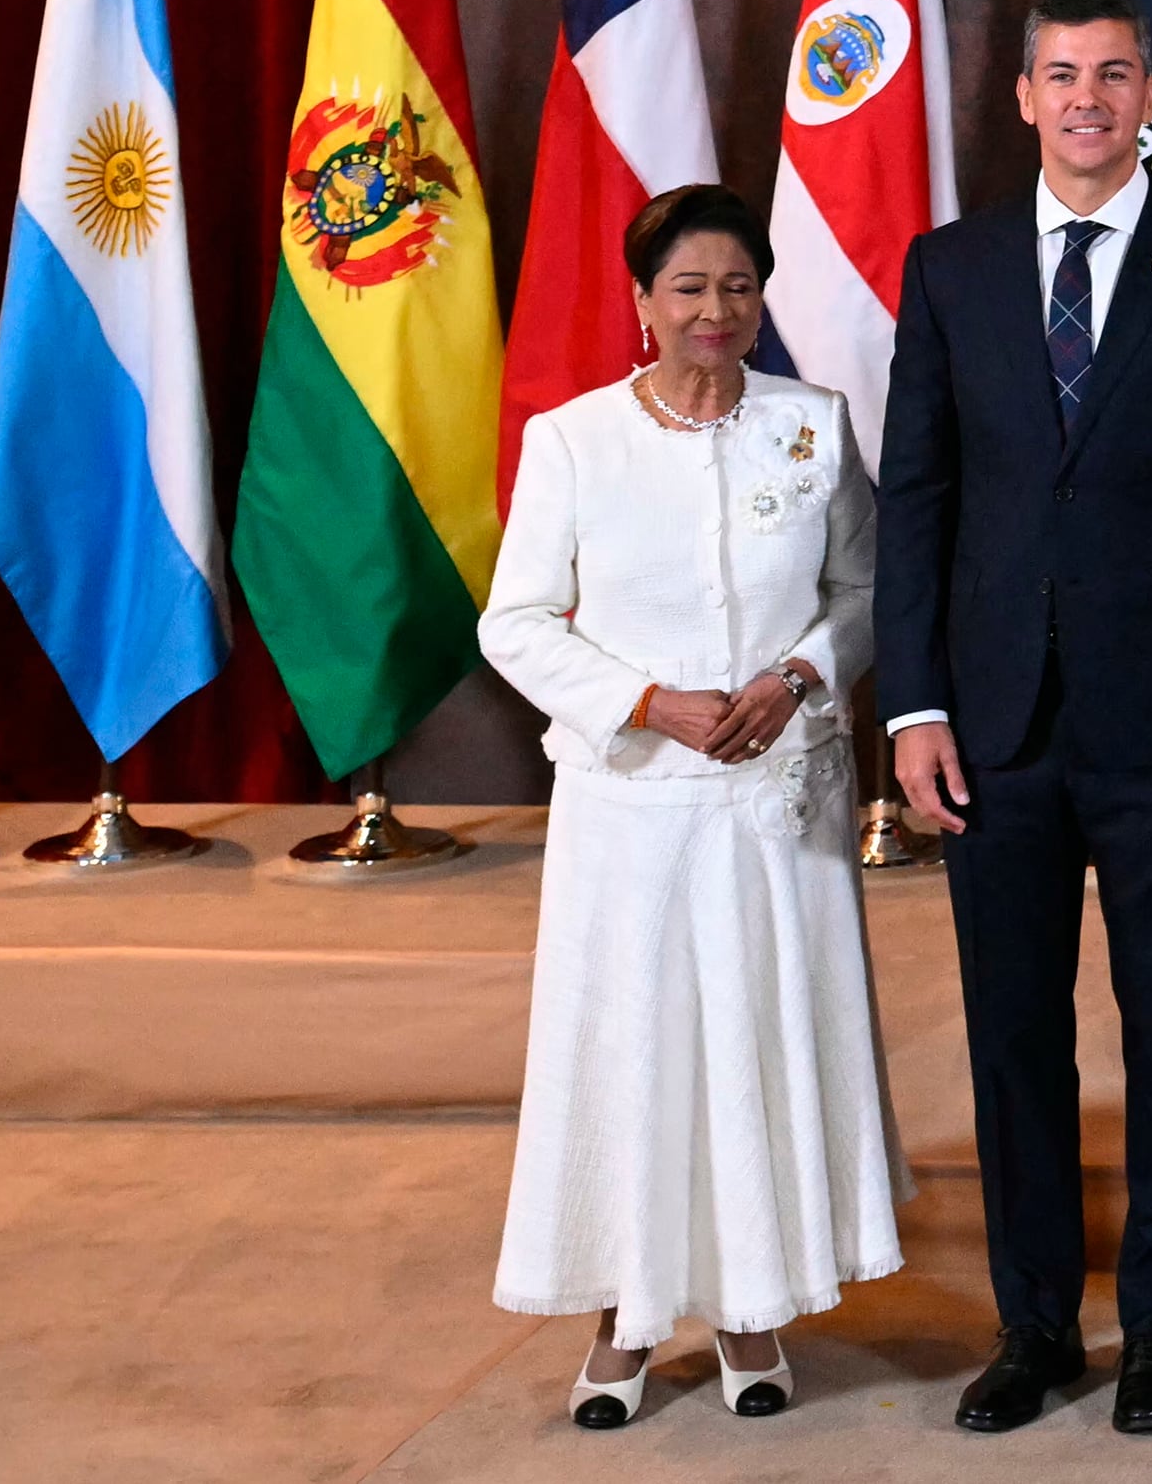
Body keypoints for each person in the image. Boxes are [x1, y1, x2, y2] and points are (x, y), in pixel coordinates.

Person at [877, 0, 1152, 1438]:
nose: (1088, 98)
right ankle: (1036, 1320)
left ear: (1146, 99)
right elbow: (919, 497)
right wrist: (914, 701)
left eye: (1114, 74)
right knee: (1012, 1036)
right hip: (991, 725)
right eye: (1061, 74)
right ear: (1020, 95)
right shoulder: (951, 268)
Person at [485, 184, 908, 1429]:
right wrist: (644, 698)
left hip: (777, 802)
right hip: (633, 805)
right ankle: (624, 1315)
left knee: (756, 1040)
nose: (714, 310)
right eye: (688, 288)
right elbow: (510, 621)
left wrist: (798, 675)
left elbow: (868, 585)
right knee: (636, 1044)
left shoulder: (812, 423)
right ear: (641, 301)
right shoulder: (573, 440)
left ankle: (750, 1304)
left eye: (735, 286)